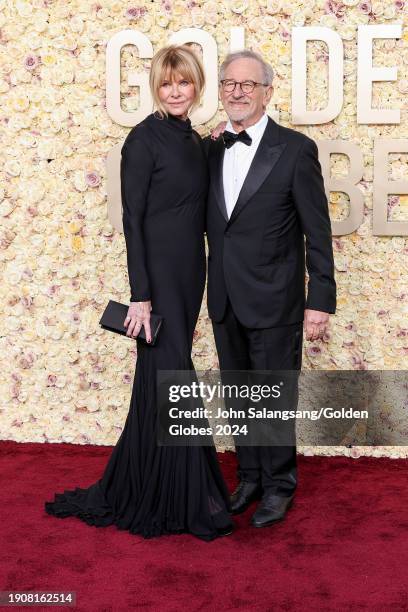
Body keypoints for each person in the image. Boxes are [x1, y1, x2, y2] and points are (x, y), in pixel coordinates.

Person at [44, 45, 233, 541]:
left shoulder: (192, 139)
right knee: (171, 375)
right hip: (160, 277)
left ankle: (157, 483)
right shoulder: (142, 140)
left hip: (192, 272)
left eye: (185, 82)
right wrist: (141, 296)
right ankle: (176, 496)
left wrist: (220, 142)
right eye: (167, 83)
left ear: (196, 87)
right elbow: (133, 220)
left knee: (164, 376)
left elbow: (196, 188)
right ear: (156, 87)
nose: (176, 90)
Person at [204, 50, 336, 528]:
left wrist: (319, 299)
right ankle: (251, 478)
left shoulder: (296, 150)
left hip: (276, 298)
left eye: (248, 84)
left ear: (267, 92)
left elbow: (316, 231)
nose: (237, 92)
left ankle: (280, 485)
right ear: (220, 91)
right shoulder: (211, 147)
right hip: (224, 297)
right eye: (229, 84)